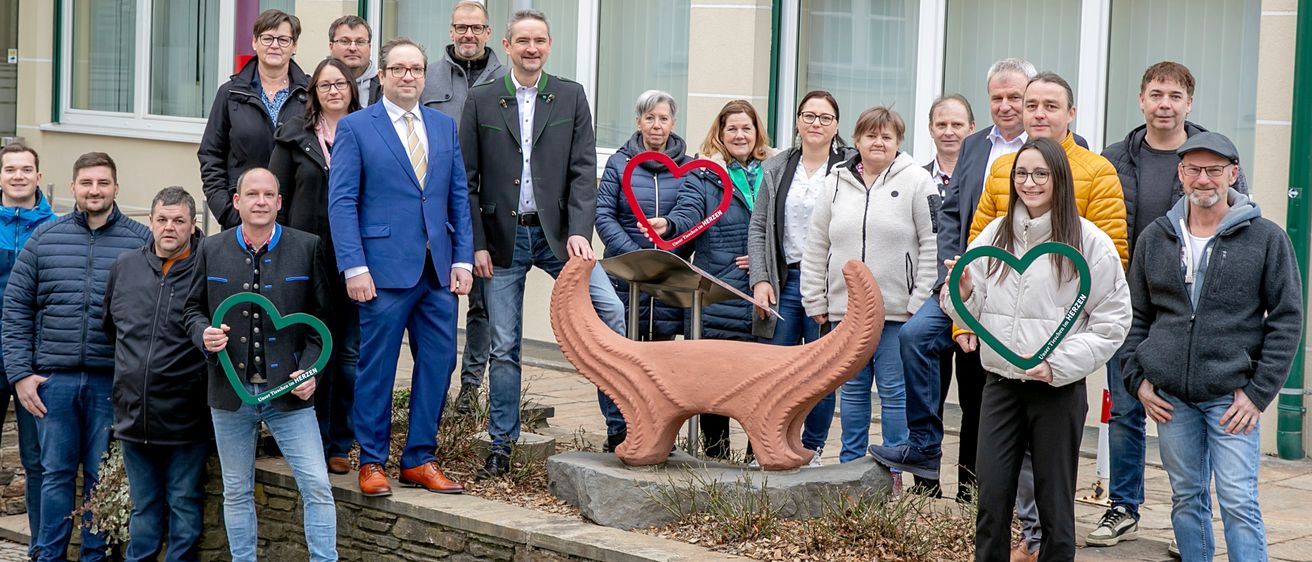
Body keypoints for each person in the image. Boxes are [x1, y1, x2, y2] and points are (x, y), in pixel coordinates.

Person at [871, 59, 1049, 501]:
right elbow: (951, 215)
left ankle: (974, 487)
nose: (1007, 107)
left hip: (1020, 290)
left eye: (1016, 98)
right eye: (998, 98)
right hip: (966, 281)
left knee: (979, 390)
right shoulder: (973, 147)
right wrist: (952, 272)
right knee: (915, 336)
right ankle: (926, 450)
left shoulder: (1054, 147)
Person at [947, 137, 1131, 562]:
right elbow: (971, 306)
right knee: (990, 501)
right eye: (1021, 174)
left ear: (1059, 178)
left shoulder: (1089, 241)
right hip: (1001, 385)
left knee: (1055, 509)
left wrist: (1057, 365)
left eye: (1040, 174)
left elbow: (1113, 321)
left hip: (1056, 390)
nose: (1029, 183)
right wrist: (964, 290)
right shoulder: (995, 233)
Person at [461, 10, 626, 478]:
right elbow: (467, 180)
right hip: (501, 241)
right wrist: (476, 244)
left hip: (559, 237)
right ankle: (501, 444)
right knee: (504, 344)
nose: (531, 48)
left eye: (539, 40)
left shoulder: (571, 95)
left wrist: (579, 230)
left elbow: (582, 171)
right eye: (523, 41)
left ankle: (619, 428)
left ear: (549, 45)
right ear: (508, 46)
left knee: (608, 313)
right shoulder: (483, 98)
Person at [1091, 62, 1249, 549]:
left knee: (1191, 411)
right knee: (1124, 408)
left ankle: (1190, 521)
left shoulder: (1211, 156)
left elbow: (1237, 224)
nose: (1165, 103)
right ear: (1141, 100)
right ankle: (1123, 505)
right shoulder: (1114, 158)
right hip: (1129, 302)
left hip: (1192, 307)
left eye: (1175, 95)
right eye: (1156, 94)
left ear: (1188, 103)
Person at [1123, 132, 1301, 562]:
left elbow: (1287, 320)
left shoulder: (1266, 239)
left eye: (1215, 170)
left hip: (1231, 397)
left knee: (1238, 502)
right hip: (1170, 399)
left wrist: (1258, 394)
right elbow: (1134, 315)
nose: (1204, 179)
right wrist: (1137, 380)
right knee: (1186, 498)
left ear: (1233, 175)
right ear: (1181, 174)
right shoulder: (1154, 238)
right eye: (1194, 170)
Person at [327, 37, 473, 496]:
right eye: (399, 69)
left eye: (415, 69)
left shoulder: (443, 127)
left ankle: (419, 459)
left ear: (424, 75)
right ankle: (371, 461)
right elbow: (342, 202)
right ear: (383, 75)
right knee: (377, 366)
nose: (408, 76)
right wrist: (354, 267)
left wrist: (463, 257)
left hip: (438, 270)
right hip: (382, 270)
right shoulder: (356, 127)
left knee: (438, 364)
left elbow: (456, 200)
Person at [3, 152, 152, 562]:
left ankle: (95, 557)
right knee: (55, 477)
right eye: (86, 183)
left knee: (100, 480)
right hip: (55, 382)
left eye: (103, 183)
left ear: (116, 188)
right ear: (72, 188)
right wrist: (21, 374)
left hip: (111, 382)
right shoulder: (45, 239)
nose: (94, 190)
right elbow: (16, 309)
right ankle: (47, 556)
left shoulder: (141, 241)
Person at [184, 168, 335, 561]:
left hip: (289, 392)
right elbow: (191, 310)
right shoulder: (210, 249)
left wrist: (310, 370)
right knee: (236, 490)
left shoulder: (308, 246)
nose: (261, 201)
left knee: (317, 485)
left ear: (279, 202)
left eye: (269, 194)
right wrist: (204, 334)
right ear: (237, 201)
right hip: (229, 393)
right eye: (252, 194)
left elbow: (322, 322)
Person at [800, 106, 936, 474]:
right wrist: (815, 297)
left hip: (897, 314)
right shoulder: (834, 182)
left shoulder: (918, 182)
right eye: (871, 135)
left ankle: (889, 470)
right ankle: (849, 466)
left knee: (894, 393)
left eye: (887, 137)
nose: (878, 142)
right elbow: (816, 245)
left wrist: (919, 302)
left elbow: (931, 244)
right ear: (856, 140)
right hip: (847, 313)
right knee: (854, 393)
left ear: (899, 142)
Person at [643, 99, 776, 460]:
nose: (739, 135)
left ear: (756, 132)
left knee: (759, 384)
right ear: (719, 133)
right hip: (717, 292)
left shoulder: (774, 172)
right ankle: (715, 458)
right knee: (714, 384)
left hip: (761, 293)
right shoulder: (703, 176)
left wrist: (766, 259)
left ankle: (755, 457)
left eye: (746, 128)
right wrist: (668, 225)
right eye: (731, 128)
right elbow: (687, 214)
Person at [103, 187, 209, 562]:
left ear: (192, 226)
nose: (169, 227)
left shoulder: (207, 269)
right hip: (133, 415)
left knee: (184, 503)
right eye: (162, 219)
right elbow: (112, 330)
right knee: (143, 507)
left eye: (179, 221)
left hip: (186, 417)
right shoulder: (125, 267)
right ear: (150, 221)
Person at [747, 90, 850, 466]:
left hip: (827, 284)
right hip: (785, 281)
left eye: (825, 118)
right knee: (776, 369)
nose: (816, 124)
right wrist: (760, 280)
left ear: (836, 125)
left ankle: (814, 447)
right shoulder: (776, 167)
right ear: (797, 121)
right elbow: (758, 228)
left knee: (821, 372)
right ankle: (767, 445)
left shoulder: (850, 167)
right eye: (809, 116)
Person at [271, 56, 362, 475]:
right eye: (325, 85)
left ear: (353, 87)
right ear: (314, 92)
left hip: (354, 262)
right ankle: (308, 440)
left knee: (346, 355)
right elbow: (278, 200)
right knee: (307, 352)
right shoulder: (293, 137)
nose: (333, 91)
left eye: (340, 83)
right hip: (305, 261)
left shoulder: (370, 131)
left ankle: (339, 443)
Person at [420, 0, 508, 416]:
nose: (468, 35)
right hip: (434, 206)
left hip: (487, 208)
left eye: (476, 28)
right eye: (461, 27)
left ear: (489, 33)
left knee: (485, 303)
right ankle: (430, 388)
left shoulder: (506, 79)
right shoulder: (427, 77)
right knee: (436, 297)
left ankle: (470, 389)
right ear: (451, 30)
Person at [593, 89, 690, 449]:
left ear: (673, 123)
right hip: (623, 275)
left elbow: (690, 217)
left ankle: (658, 432)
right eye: (649, 118)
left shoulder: (687, 167)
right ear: (638, 122)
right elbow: (603, 216)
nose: (656, 125)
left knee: (660, 362)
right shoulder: (618, 163)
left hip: (666, 279)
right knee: (618, 357)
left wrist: (664, 256)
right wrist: (636, 257)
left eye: (663, 118)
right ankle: (619, 428)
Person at [199, 9, 309, 229]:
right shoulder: (230, 94)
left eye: (283, 39)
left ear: (294, 46)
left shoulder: (310, 95)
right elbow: (211, 155)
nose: (274, 45)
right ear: (254, 43)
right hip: (241, 218)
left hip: (296, 220)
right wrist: (227, 212)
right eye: (267, 38)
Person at [0, 143, 54, 561]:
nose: (18, 176)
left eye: (26, 169)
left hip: (35, 359)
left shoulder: (56, 228)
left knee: (37, 460)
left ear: (39, 176)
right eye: (10, 169)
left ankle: (40, 548)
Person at [326, 15, 380, 106]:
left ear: (370, 47)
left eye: (360, 42)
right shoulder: (312, 86)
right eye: (344, 41)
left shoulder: (385, 88)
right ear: (331, 47)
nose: (352, 48)